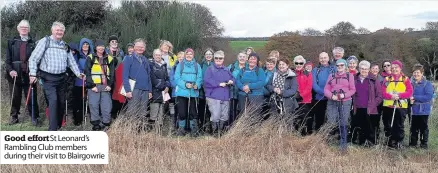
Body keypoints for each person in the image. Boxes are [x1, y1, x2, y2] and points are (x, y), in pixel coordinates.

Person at [28, 21, 84, 131]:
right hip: (48, 78)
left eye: (61, 30)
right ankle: (52, 130)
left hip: (61, 79)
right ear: (52, 30)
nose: (59, 32)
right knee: (53, 102)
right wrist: (32, 74)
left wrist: (78, 73)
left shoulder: (64, 45)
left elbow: (71, 61)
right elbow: (33, 58)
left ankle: (58, 126)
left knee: (61, 103)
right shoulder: (45, 41)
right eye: (57, 30)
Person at [6, 20, 40, 125]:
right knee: (15, 96)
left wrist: (35, 74)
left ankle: (34, 117)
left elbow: (37, 59)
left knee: (31, 96)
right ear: (18, 29)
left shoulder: (33, 43)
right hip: (14, 74)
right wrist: (10, 70)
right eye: (22, 27)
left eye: (26, 27)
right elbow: (7, 60)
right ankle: (14, 117)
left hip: (29, 74)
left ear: (29, 29)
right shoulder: (12, 41)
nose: (24, 29)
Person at [324, 59, 356, 148]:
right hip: (332, 101)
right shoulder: (331, 76)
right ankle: (329, 140)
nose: (340, 67)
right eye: (338, 65)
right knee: (331, 120)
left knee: (343, 121)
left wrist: (344, 95)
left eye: (342, 65)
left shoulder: (350, 76)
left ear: (345, 66)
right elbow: (326, 89)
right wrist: (331, 96)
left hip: (345, 102)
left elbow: (353, 90)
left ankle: (343, 142)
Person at [84, 40, 115, 131]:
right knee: (93, 104)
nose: (101, 48)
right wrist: (91, 85)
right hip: (94, 85)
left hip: (105, 85)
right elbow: (87, 72)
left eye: (102, 46)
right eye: (99, 46)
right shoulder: (90, 57)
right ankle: (96, 124)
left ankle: (106, 123)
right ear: (95, 47)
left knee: (107, 105)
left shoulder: (109, 58)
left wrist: (110, 85)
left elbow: (112, 73)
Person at [381, 60, 413, 149]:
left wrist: (399, 95)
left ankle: (399, 141)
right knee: (388, 124)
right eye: (393, 67)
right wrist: (391, 96)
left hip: (400, 106)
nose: (394, 69)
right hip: (388, 106)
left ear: (400, 68)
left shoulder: (405, 79)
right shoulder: (387, 79)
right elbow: (383, 93)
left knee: (399, 125)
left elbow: (409, 92)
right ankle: (390, 141)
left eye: (396, 67)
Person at [204, 50, 234, 136]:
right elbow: (207, 80)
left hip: (225, 96)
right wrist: (218, 84)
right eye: (216, 58)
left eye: (220, 58)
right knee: (215, 116)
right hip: (213, 96)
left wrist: (231, 81)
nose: (218, 59)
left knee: (224, 116)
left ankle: (221, 133)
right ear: (214, 59)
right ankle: (215, 133)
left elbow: (233, 78)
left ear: (223, 59)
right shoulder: (210, 69)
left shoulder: (226, 69)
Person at [352, 60, 383, 146]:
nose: (364, 70)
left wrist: (373, 104)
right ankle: (362, 142)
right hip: (358, 107)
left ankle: (371, 142)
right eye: (362, 68)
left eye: (366, 69)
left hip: (370, 108)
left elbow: (380, 96)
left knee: (370, 126)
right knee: (360, 125)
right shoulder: (354, 79)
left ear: (369, 69)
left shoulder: (374, 80)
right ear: (359, 69)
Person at [174, 48, 203, 136]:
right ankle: (181, 130)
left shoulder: (197, 65)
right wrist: (185, 84)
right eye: (187, 54)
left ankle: (193, 130)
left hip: (193, 93)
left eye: (191, 54)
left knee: (192, 112)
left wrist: (197, 85)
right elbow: (177, 78)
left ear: (193, 55)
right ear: (185, 55)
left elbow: (200, 78)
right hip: (182, 93)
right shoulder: (180, 65)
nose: (189, 56)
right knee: (182, 112)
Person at [122, 38, 152, 118]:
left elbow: (148, 76)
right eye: (138, 46)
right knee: (133, 112)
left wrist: (150, 90)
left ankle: (140, 129)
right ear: (134, 47)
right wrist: (127, 90)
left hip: (145, 90)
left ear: (144, 48)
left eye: (142, 47)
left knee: (143, 112)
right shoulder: (128, 58)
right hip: (134, 89)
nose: (140, 48)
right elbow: (125, 76)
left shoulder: (146, 60)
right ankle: (131, 129)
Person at [409, 64, 433, 149]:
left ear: (422, 73)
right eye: (414, 72)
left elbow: (428, 96)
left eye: (418, 72)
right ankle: (413, 144)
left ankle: (423, 144)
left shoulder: (427, 84)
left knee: (423, 128)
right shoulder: (410, 83)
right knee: (413, 127)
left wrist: (414, 97)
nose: (416, 74)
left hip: (424, 110)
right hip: (413, 110)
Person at [236, 52, 266, 119]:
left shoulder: (260, 70)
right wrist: (242, 87)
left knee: (255, 116)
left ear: (257, 61)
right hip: (243, 95)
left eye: (254, 59)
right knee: (243, 115)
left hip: (256, 96)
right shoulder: (243, 70)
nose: (252, 60)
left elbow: (261, 82)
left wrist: (249, 86)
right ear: (248, 60)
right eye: (250, 58)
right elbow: (237, 80)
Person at [311, 52, 336, 132]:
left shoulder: (334, 68)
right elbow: (314, 84)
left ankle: (330, 134)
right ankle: (319, 135)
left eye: (325, 57)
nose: (323, 59)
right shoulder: (315, 70)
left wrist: (331, 93)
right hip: (319, 97)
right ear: (319, 59)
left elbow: (337, 82)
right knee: (319, 118)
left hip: (332, 97)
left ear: (328, 58)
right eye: (321, 58)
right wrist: (325, 93)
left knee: (331, 117)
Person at [72, 38, 93, 126]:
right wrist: (81, 73)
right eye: (84, 44)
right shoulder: (77, 55)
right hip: (79, 80)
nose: (85, 46)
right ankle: (78, 119)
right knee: (78, 100)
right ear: (81, 46)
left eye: (87, 44)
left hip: (89, 80)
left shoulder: (92, 55)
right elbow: (74, 64)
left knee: (89, 100)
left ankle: (89, 116)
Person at [149, 49, 171, 130]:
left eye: (159, 55)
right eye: (156, 55)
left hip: (163, 93)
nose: (158, 56)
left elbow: (167, 78)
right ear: (153, 56)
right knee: (154, 112)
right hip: (155, 92)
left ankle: (159, 133)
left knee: (161, 113)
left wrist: (167, 86)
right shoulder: (151, 65)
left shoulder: (164, 65)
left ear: (161, 56)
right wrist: (162, 86)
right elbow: (153, 79)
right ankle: (152, 132)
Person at [292, 55, 313, 135]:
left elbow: (309, 87)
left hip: (305, 100)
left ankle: (304, 136)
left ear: (303, 64)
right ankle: (296, 135)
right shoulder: (292, 73)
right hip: (293, 99)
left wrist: (300, 95)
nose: (298, 65)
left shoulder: (308, 74)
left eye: (300, 63)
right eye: (296, 63)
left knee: (304, 119)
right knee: (295, 119)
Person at [227, 51, 248, 126]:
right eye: (240, 56)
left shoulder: (249, 68)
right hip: (232, 93)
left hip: (244, 94)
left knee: (242, 111)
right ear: (237, 58)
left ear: (246, 58)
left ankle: (241, 128)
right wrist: (228, 80)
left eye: (243, 57)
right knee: (231, 111)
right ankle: (231, 128)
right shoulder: (231, 67)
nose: (242, 58)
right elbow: (225, 76)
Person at [199, 48, 214, 133]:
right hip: (202, 93)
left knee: (211, 111)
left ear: (212, 56)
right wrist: (203, 87)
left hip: (212, 93)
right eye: (207, 54)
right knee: (202, 111)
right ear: (204, 55)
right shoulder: (201, 65)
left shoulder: (215, 65)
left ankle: (212, 128)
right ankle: (202, 128)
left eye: (210, 54)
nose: (208, 55)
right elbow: (199, 77)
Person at [169, 51, 185, 131]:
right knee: (176, 110)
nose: (181, 59)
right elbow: (171, 79)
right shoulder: (174, 67)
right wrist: (178, 84)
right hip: (176, 92)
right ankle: (175, 126)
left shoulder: (186, 67)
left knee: (183, 110)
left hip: (184, 92)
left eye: (182, 58)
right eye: (179, 58)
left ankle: (183, 127)